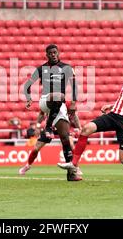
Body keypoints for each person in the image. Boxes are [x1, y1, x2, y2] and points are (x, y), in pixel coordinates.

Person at [21, 44, 78, 180]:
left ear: (58, 53)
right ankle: (48, 127)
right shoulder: (41, 69)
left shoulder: (67, 68)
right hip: (46, 101)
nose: (53, 54)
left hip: (60, 105)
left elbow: (75, 85)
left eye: (55, 52)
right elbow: (27, 85)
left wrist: (74, 102)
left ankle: (71, 174)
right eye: (50, 53)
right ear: (46, 55)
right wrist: (29, 99)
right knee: (58, 96)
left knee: (65, 138)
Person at [19, 109, 84, 177]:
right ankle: (28, 165)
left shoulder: (65, 103)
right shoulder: (48, 102)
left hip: (63, 127)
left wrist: (79, 127)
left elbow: (74, 115)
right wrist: (37, 127)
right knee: (35, 149)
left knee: (71, 145)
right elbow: (41, 113)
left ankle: (76, 167)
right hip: (50, 128)